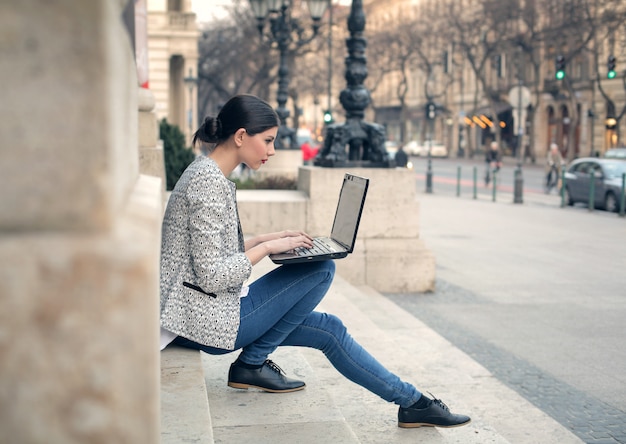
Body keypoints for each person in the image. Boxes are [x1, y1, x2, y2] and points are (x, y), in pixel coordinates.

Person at [159, 94, 470, 429]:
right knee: (322, 267)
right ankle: (251, 362)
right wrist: (267, 249)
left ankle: (412, 403)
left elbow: (211, 256)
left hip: (203, 310)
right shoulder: (207, 181)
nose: (272, 150)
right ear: (240, 136)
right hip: (205, 320)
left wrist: (268, 239)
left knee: (329, 330)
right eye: (268, 140)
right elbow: (211, 276)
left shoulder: (207, 173)